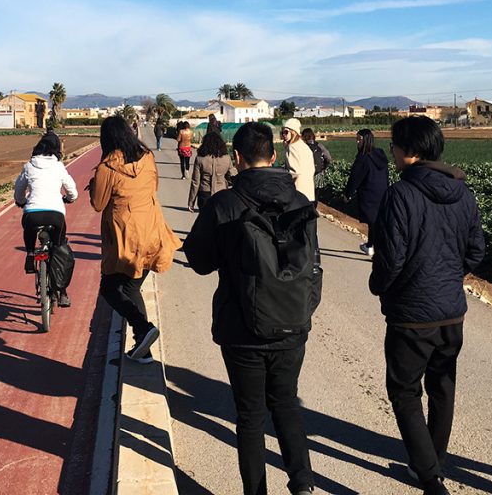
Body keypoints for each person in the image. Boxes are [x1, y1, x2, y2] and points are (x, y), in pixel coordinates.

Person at [184, 122, 320, 495]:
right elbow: (313, 264)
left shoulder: (225, 204)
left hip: (241, 328)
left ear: (238, 158)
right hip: (293, 323)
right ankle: (303, 484)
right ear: (274, 156)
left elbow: (198, 260)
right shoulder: (300, 203)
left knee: (250, 417)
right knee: (287, 403)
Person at [369, 116, 485, 495]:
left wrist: (380, 287)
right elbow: (475, 252)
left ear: (411, 152)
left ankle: (430, 477)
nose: (392, 152)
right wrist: (449, 277)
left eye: (395, 146)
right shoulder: (463, 192)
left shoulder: (400, 195)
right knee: (443, 386)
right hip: (452, 311)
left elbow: (392, 259)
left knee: (404, 392)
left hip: (411, 314)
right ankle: (434, 461)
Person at [90, 116, 179, 363]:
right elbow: (154, 186)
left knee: (109, 289)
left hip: (126, 238)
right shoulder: (147, 157)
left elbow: (98, 204)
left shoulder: (107, 167)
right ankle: (144, 349)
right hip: (153, 231)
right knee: (131, 287)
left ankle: (143, 328)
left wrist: (95, 183)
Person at [14, 133, 78, 307]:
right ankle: (63, 293)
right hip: (56, 214)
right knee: (60, 248)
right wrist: (70, 198)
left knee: (28, 228)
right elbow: (72, 189)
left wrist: (21, 202)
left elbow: (19, 190)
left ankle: (29, 253)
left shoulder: (29, 166)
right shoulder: (58, 166)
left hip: (33, 213)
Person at [344, 128, 389, 257]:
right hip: (382, 192)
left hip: (368, 194)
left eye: (358, 139)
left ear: (364, 140)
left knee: (373, 222)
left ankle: (375, 250)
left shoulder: (363, 158)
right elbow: (386, 173)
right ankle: (370, 245)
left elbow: (355, 178)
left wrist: (347, 194)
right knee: (375, 222)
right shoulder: (380, 154)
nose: (357, 142)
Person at [188, 131, 234, 212]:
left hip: (204, 194)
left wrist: (191, 202)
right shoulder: (227, 158)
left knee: (205, 222)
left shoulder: (200, 159)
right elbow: (233, 176)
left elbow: (195, 182)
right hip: (222, 193)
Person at [280, 118, 315, 202]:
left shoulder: (292, 147)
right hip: (309, 192)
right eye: (282, 132)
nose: (283, 134)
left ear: (293, 132)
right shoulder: (304, 146)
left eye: (286, 132)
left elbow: (295, 172)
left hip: (298, 194)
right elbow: (312, 169)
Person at [301, 128, 332, 197]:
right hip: (318, 173)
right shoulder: (319, 145)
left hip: (306, 175)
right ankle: (314, 206)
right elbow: (328, 158)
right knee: (316, 194)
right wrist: (324, 167)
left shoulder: (303, 147)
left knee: (306, 195)